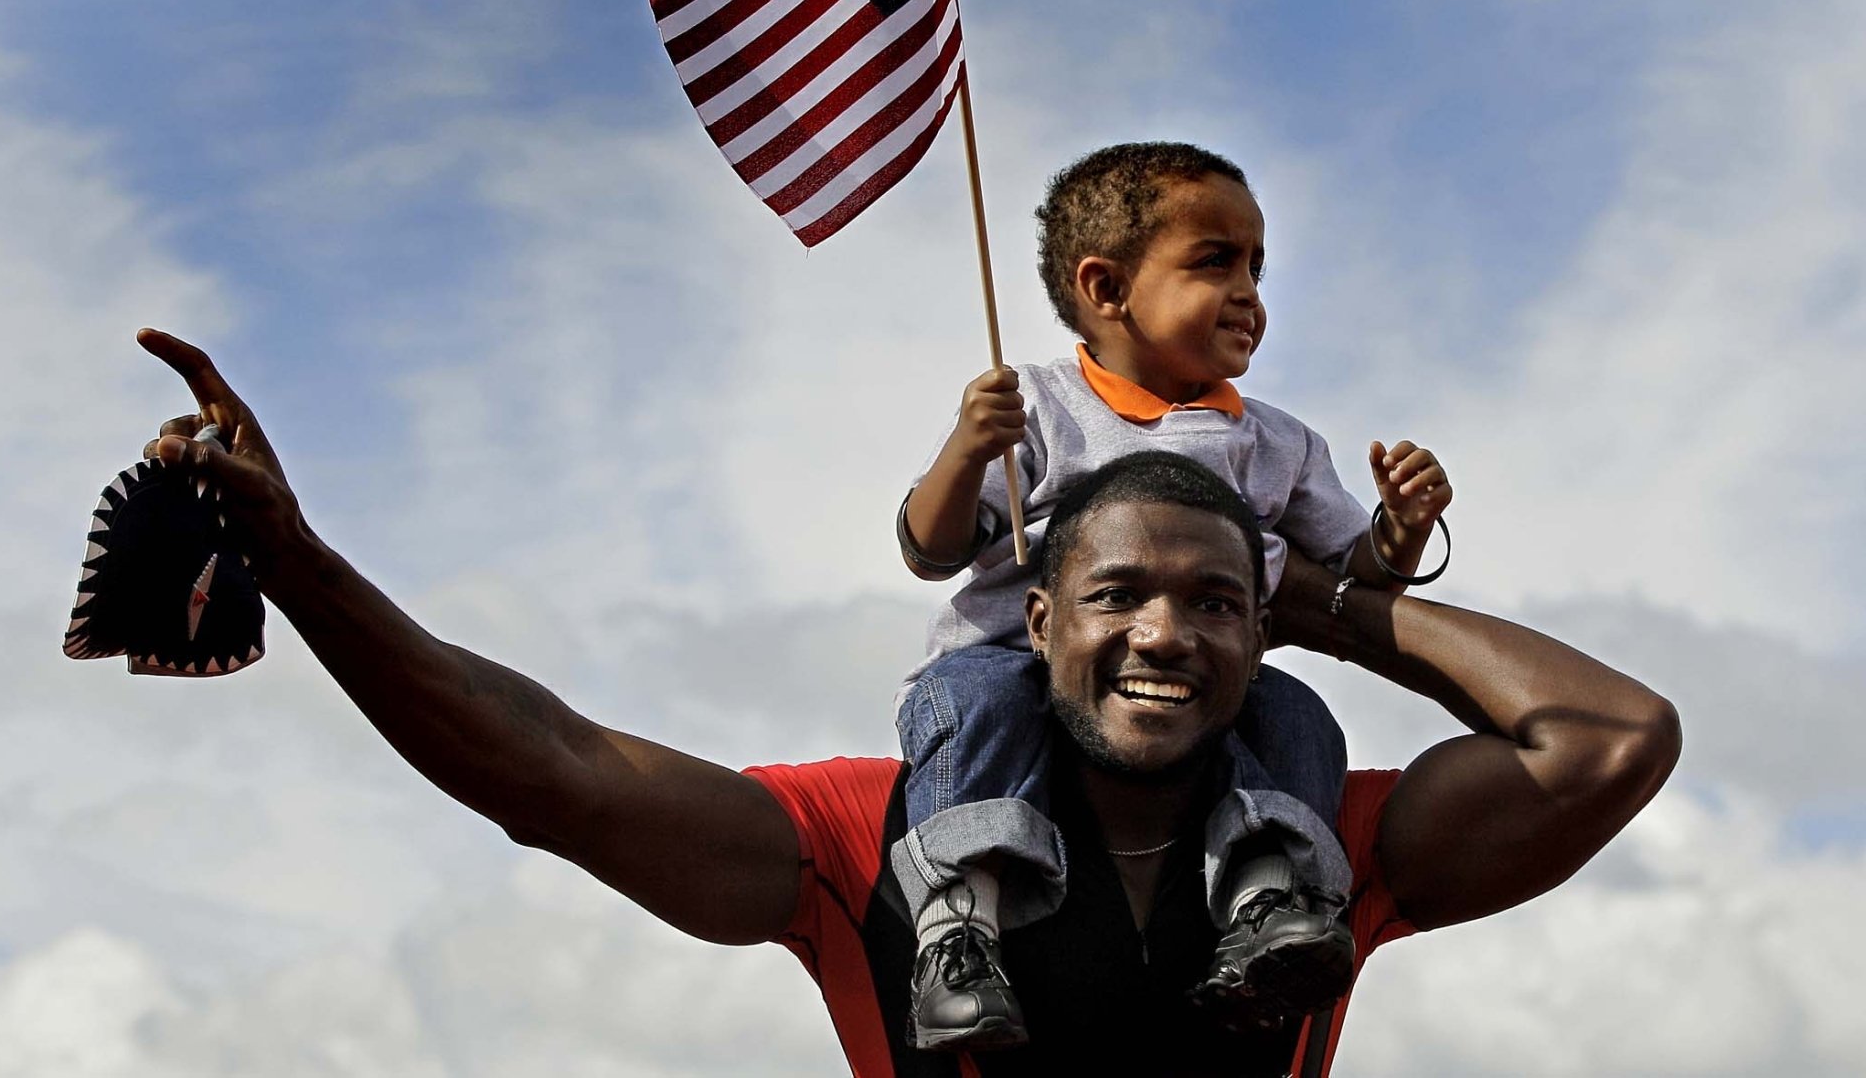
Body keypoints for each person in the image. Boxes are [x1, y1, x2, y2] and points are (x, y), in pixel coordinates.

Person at [132, 329, 1680, 1077]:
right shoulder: (878, 832)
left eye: (1213, 606)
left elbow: (1613, 737)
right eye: (1119, 595)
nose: (1167, 635)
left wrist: (1331, 606)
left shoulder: (1319, 841)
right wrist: (304, 566)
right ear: (1037, 618)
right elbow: (552, 768)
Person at [895, 141, 1451, 1046]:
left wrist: (1401, 528)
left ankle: (1270, 899)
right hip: (1008, 664)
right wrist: (966, 450)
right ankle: (959, 930)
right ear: (1107, 290)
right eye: (1214, 261)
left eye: (1257, 267)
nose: (1249, 292)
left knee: (1294, 713)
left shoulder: (1278, 443)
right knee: (971, 709)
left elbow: (1352, 572)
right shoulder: (1038, 407)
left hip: (1190, 695)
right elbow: (931, 548)